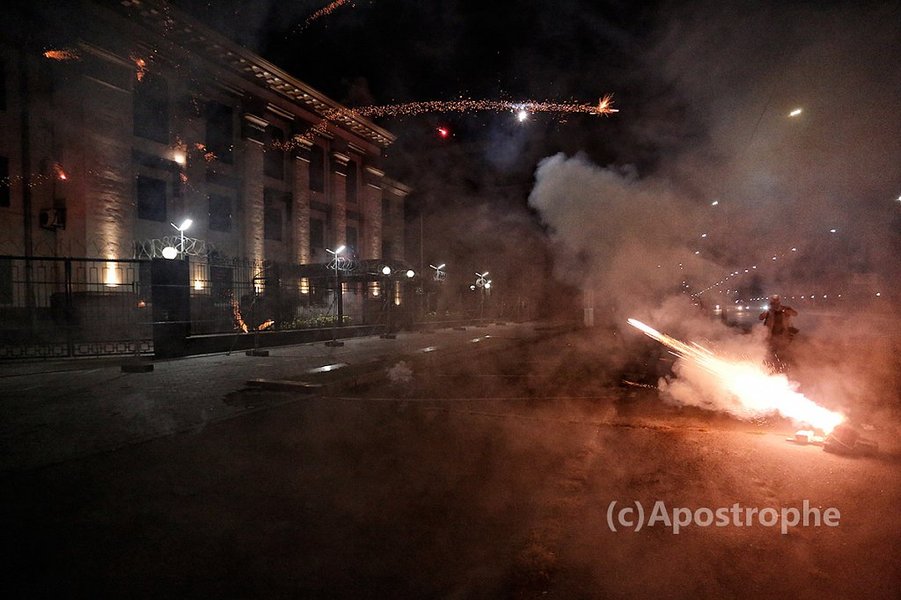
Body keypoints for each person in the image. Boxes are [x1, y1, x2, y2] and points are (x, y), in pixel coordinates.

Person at [759, 294, 798, 364]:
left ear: (779, 302)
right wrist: (766, 312)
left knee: (783, 350)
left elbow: (795, 314)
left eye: (776, 302)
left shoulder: (785, 309)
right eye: (773, 303)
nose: (774, 304)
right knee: (770, 350)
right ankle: (770, 364)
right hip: (771, 334)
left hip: (783, 334)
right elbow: (760, 317)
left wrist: (786, 311)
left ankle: (783, 363)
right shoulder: (769, 311)